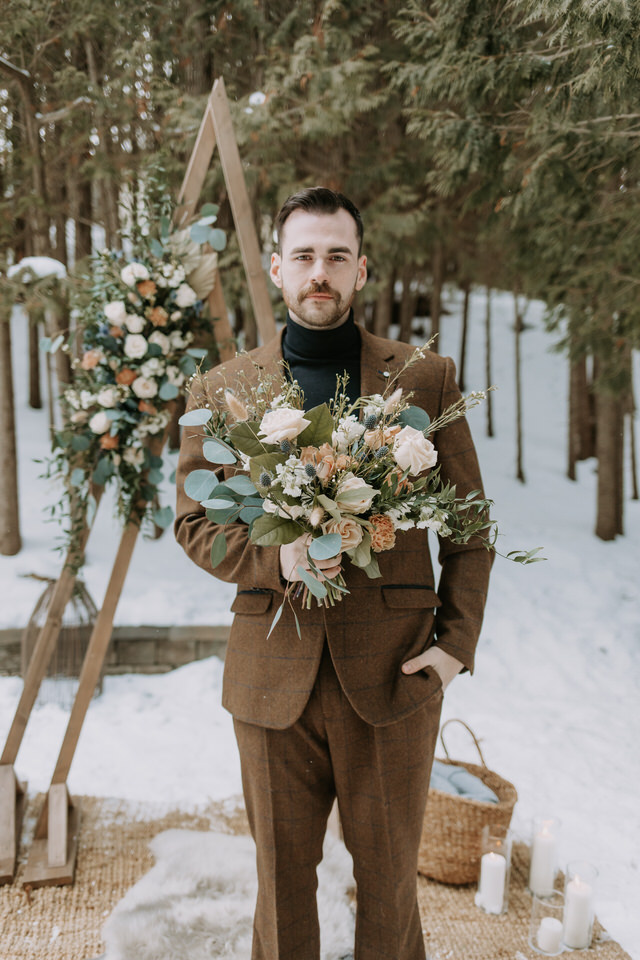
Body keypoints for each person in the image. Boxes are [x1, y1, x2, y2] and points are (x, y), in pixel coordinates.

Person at [175, 187, 493, 960]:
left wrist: (455, 645)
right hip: (268, 679)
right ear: (277, 267)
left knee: (388, 891)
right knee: (282, 892)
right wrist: (272, 555)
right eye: (306, 256)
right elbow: (193, 523)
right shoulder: (222, 391)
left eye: (337, 258)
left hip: (392, 679)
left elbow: (471, 525)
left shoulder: (422, 379)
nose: (321, 272)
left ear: (360, 272)